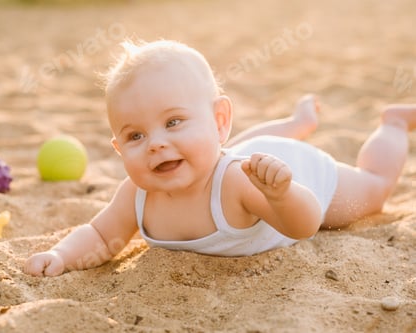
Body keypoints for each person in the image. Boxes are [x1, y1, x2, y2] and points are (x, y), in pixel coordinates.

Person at [24, 40, 416, 277]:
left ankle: (393, 124)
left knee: (374, 191)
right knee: (232, 148)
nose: (156, 144)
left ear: (218, 120)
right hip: (243, 153)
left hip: (296, 180)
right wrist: (61, 255)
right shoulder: (136, 193)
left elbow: (306, 225)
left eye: (173, 121)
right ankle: (293, 123)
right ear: (118, 149)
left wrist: (281, 196)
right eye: (136, 135)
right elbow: (99, 236)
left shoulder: (238, 183)